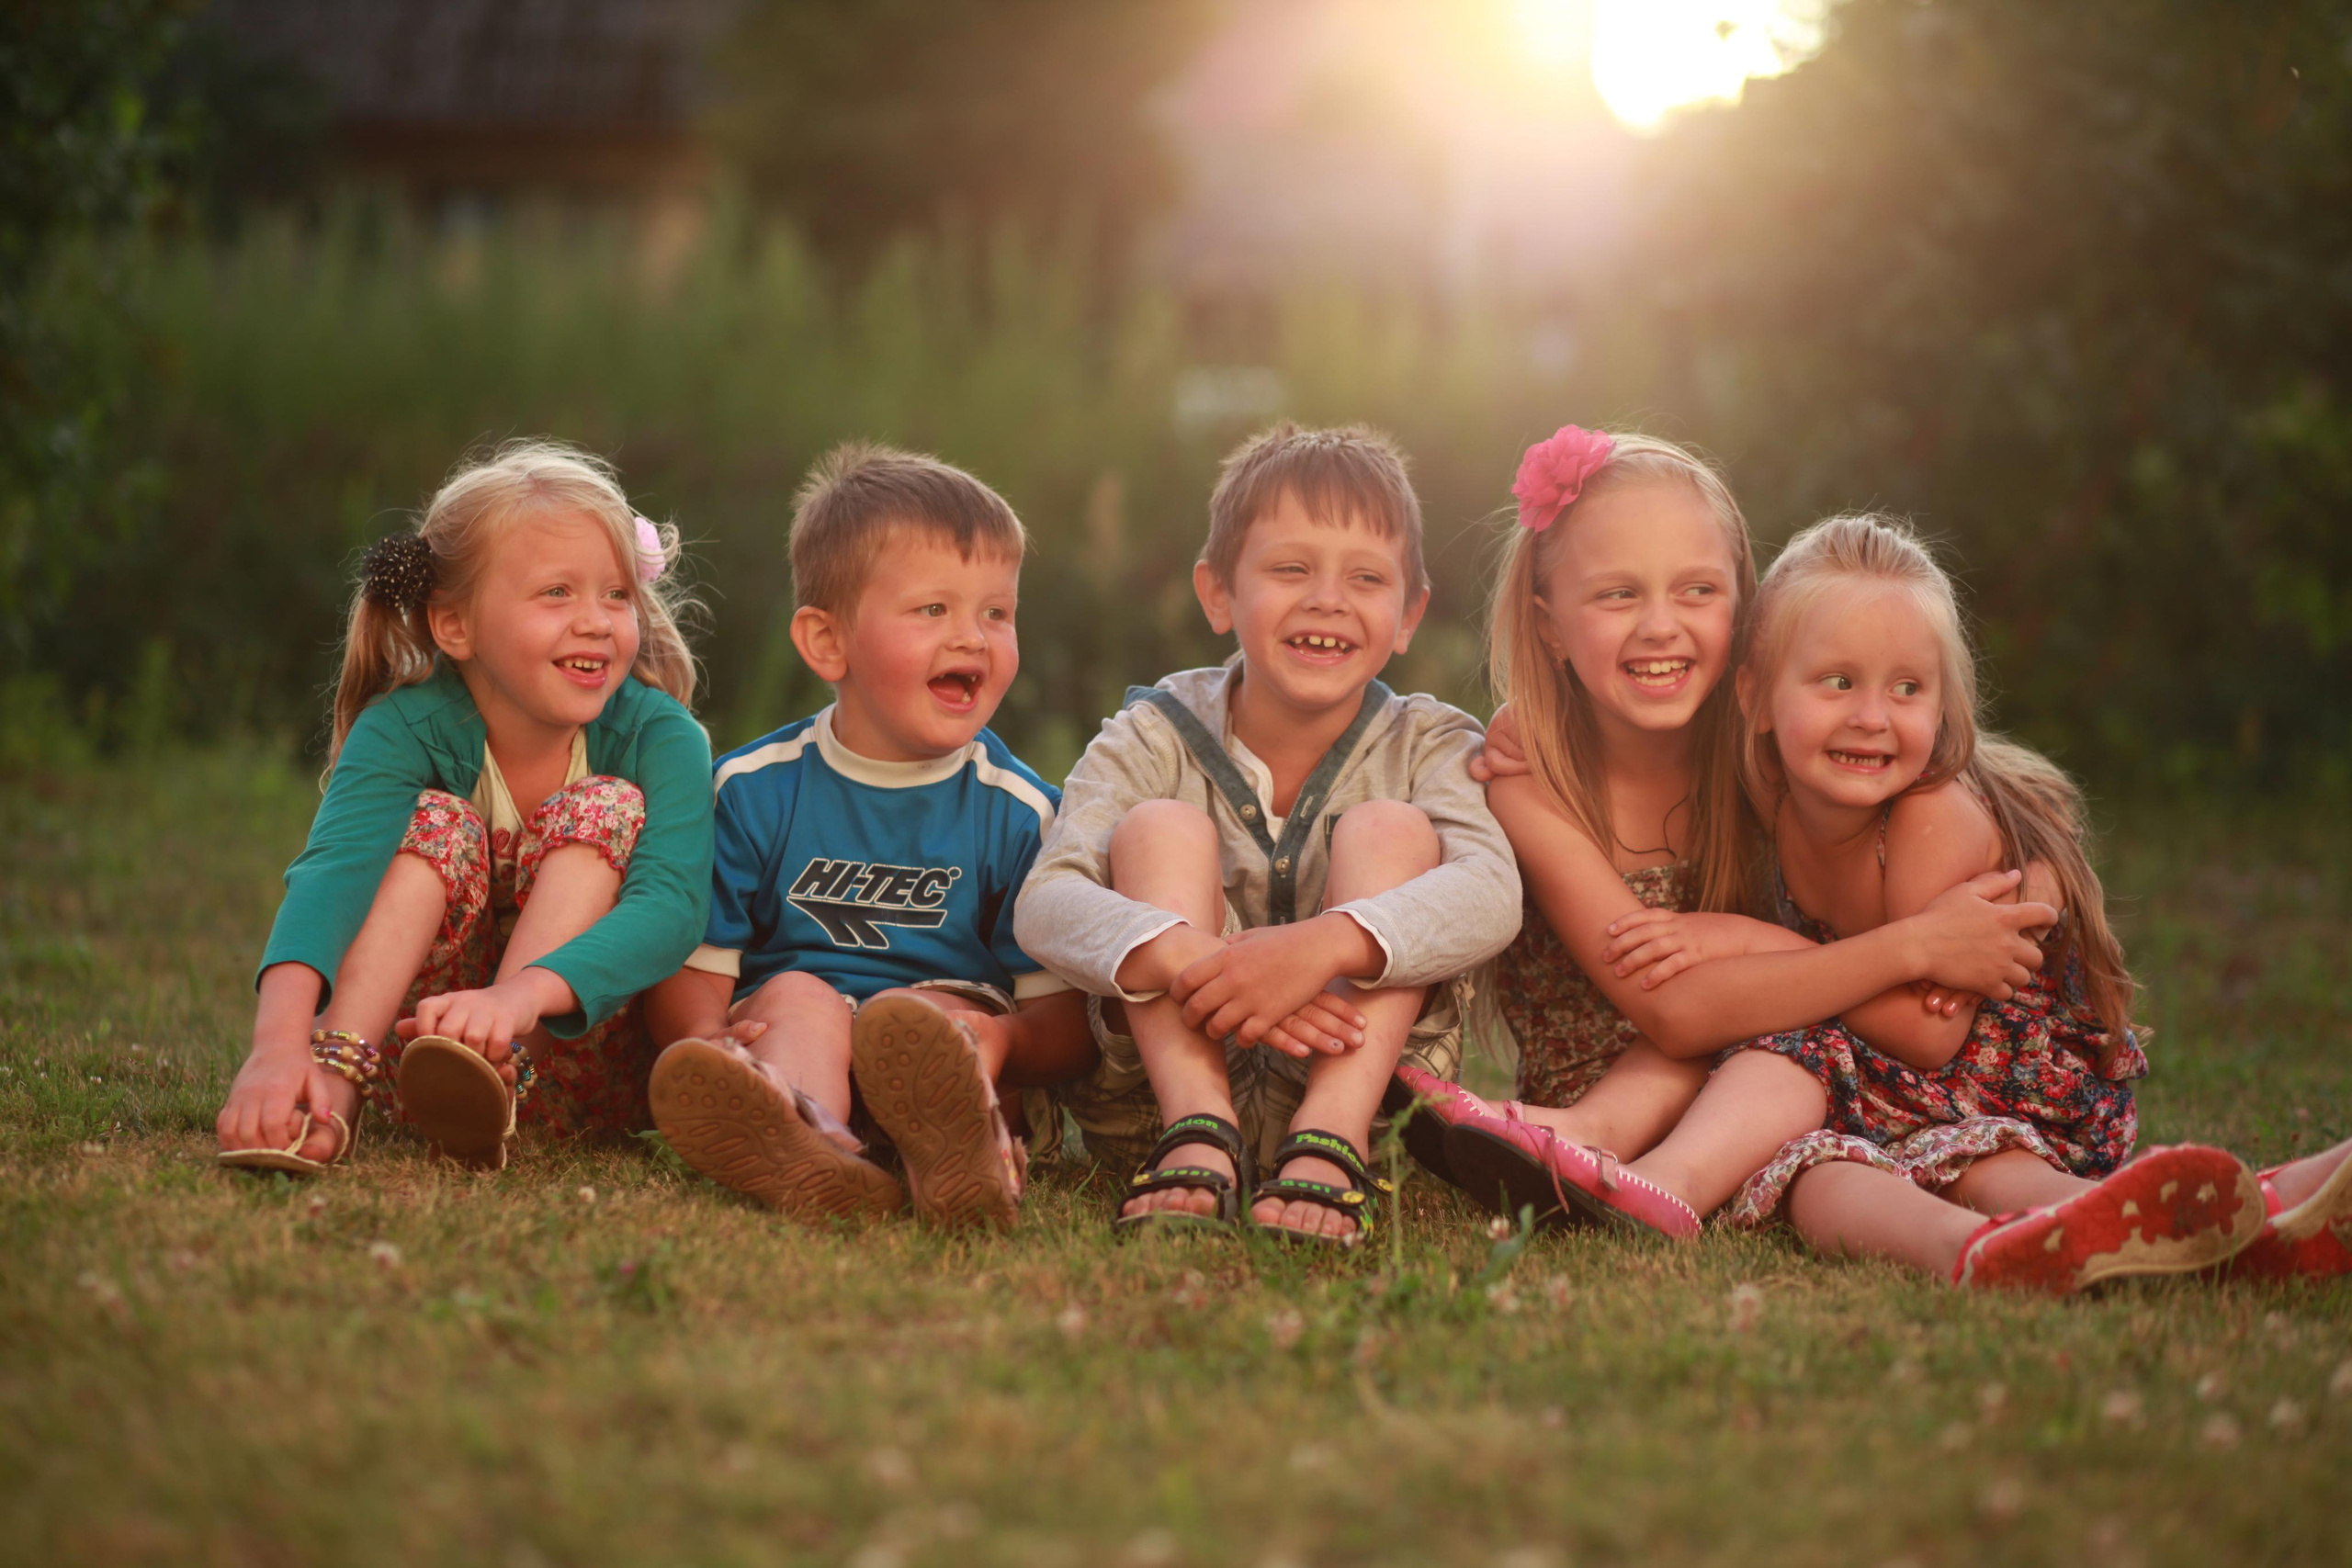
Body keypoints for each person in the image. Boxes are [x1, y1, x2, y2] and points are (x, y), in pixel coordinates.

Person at [1475, 512, 2352, 1289]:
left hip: (1994, 1080)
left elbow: (1933, 1032)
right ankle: (1983, 1252)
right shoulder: (1772, 796)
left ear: (1946, 705)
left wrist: (1748, 936)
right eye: (1838, 683)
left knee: (1950, 1143)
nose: (1871, 717)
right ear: (1760, 700)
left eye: (1907, 689)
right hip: (1873, 1078)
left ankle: (2183, 1206)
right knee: (1812, 1174)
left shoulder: (1928, 818)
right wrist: (1536, 715)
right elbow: (1651, 705)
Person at [1402, 427, 2060, 1230]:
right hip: (1632, 1089)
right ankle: (1590, 1145)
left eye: (1697, 590)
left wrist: (2035, 870)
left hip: (1770, 1075)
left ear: (1743, 608)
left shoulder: (1765, 749)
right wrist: (1913, 945)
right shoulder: (1534, 779)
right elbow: (1676, 1012)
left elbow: (1923, 793)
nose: (1660, 626)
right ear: (1548, 626)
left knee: (1794, 1073)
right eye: (1618, 595)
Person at [1012, 422, 1522, 1247]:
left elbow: (1493, 895)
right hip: (1153, 1099)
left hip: (1370, 1092)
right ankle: (1200, 1122)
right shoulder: (1151, 733)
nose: (1327, 598)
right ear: (1218, 593)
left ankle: (1331, 1130)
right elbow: (1045, 903)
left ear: (1409, 613)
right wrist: (1198, 960)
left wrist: (1326, 946)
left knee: (1393, 829)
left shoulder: (1430, 744)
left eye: (1366, 576)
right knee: (1157, 827)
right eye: (1291, 569)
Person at [216, 441, 713, 1174]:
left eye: (616, 594)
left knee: (606, 806)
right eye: (556, 593)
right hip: (416, 1055)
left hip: (581, 1067)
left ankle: (497, 1072)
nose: (597, 621)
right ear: (456, 626)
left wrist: (516, 1001)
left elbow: (671, 905)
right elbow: (330, 878)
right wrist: (274, 1047)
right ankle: (331, 1086)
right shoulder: (404, 727)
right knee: (435, 824)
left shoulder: (660, 734)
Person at [644, 444, 1094, 1230]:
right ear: (828, 642)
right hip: (801, 1042)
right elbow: (695, 968)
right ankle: (815, 1143)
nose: (973, 637)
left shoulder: (1023, 813)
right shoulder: (752, 790)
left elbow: (1065, 1029)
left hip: (955, 1055)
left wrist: (1000, 1041)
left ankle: (964, 1156)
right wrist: (706, 1038)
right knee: (795, 997)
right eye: (933, 610)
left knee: (926, 1013)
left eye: (996, 611)